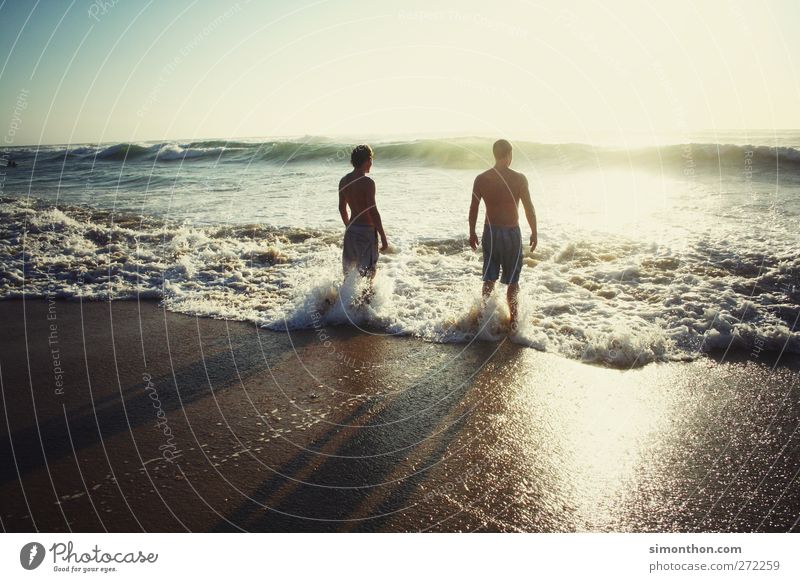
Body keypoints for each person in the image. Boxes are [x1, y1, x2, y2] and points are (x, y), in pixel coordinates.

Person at [469, 139, 537, 329]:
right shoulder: (519, 178)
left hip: (490, 233)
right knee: (512, 282)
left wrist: (471, 232)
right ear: (509, 155)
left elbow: (473, 208)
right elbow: (529, 208)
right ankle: (514, 324)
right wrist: (534, 231)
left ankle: (483, 320)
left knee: (489, 279)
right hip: (511, 234)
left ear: (495, 154)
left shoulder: (481, 179)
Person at [339, 144, 388, 282]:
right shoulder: (367, 183)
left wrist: (348, 226)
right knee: (368, 276)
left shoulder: (343, 181)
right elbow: (372, 211)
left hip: (351, 231)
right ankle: (365, 303)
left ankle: (343, 302)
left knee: (348, 275)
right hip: (366, 233)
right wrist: (383, 237)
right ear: (367, 160)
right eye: (371, 159)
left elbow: (342, 208)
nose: (371, 163)